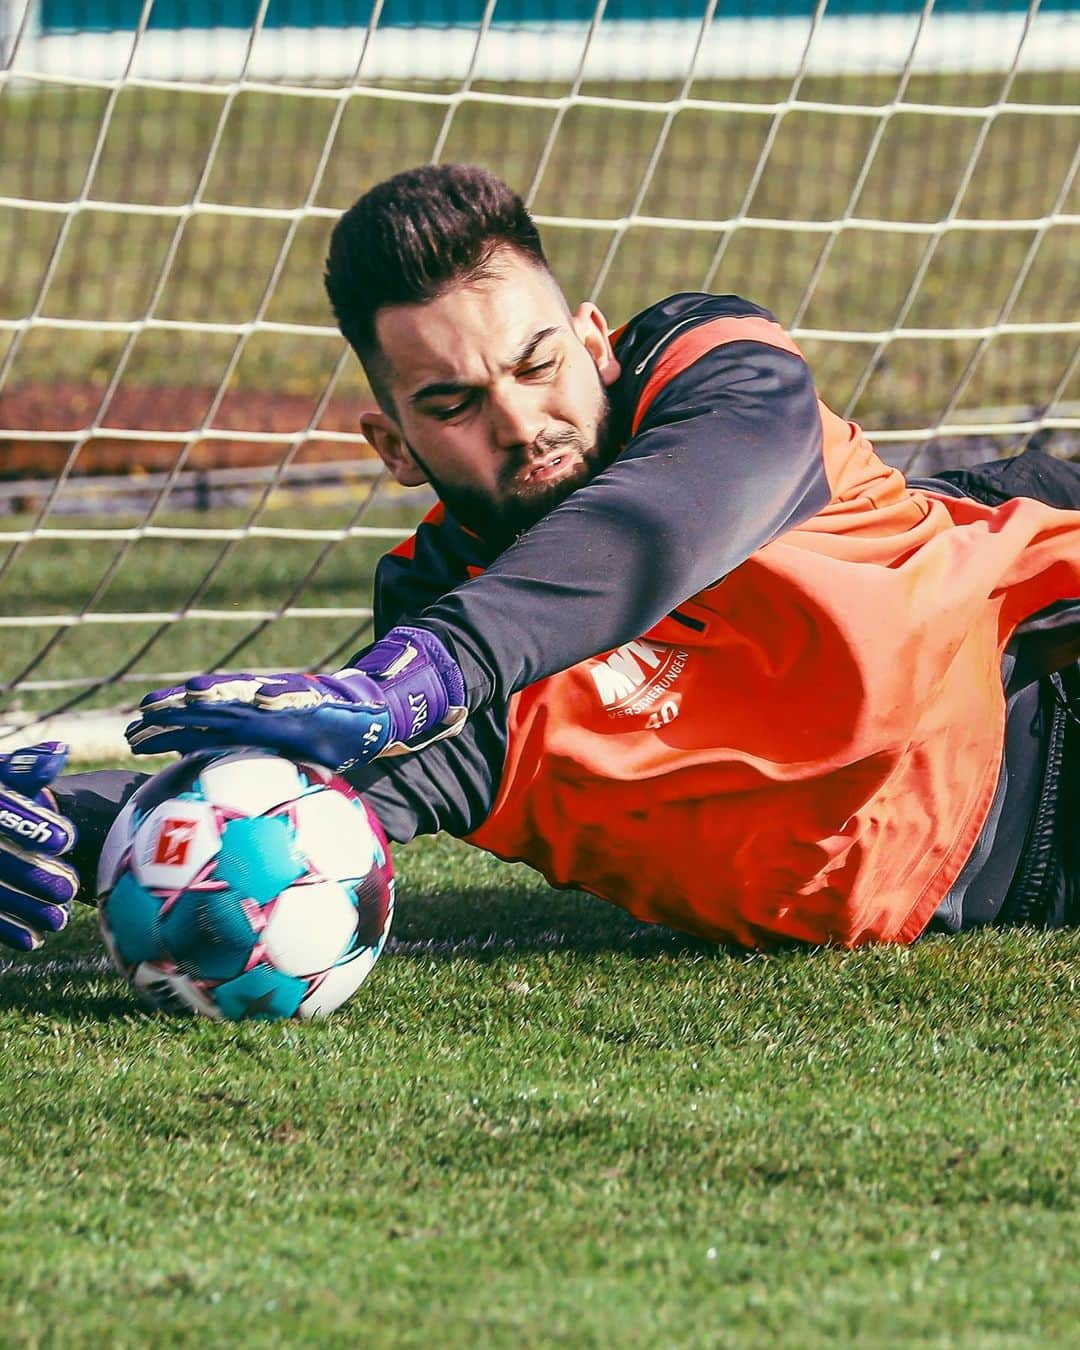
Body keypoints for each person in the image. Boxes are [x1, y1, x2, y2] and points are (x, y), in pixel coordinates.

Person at [2, 163, 1078, 956]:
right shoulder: (438, 622)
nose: (519, 422)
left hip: (1043, 671)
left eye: (537, 361)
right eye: (454, 404)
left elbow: (653, 527)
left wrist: (414, 682)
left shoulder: (721, 379)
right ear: (395, 450)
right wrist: (87, 827)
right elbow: (314, 803)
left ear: (596, 339)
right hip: (990, 885)